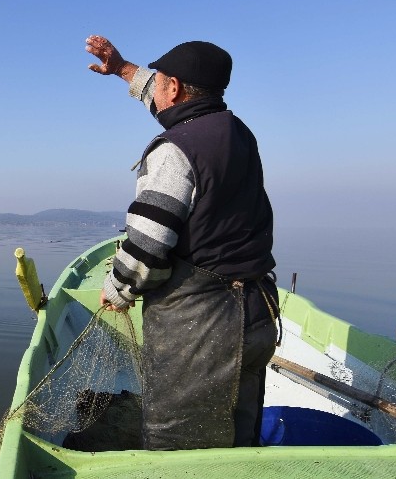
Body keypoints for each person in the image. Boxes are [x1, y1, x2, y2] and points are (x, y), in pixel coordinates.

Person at [85, 34, 279, 451]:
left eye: (159, 81)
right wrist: (122, 69)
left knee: (178, 441)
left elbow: (147, 246)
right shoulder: (238, 132)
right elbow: (166, 106)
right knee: (239, 431)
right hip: (258, 312)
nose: (154, 88)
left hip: (203, 327)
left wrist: (118, 289)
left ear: (174, 87)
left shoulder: (175, 150)